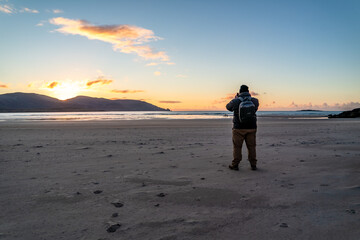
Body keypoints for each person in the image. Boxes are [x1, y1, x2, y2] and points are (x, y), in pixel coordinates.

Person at [226, 85, 259, 171]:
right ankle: (253, 165)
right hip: (252, 127)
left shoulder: (236, 101)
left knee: (237, 147)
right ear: (248, 91)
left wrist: (236, 98)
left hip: (238, 128)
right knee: (251, 147)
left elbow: (228, 107)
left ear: (240, 92)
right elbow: (255, 109)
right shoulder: (255, 101)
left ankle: (235, 165)